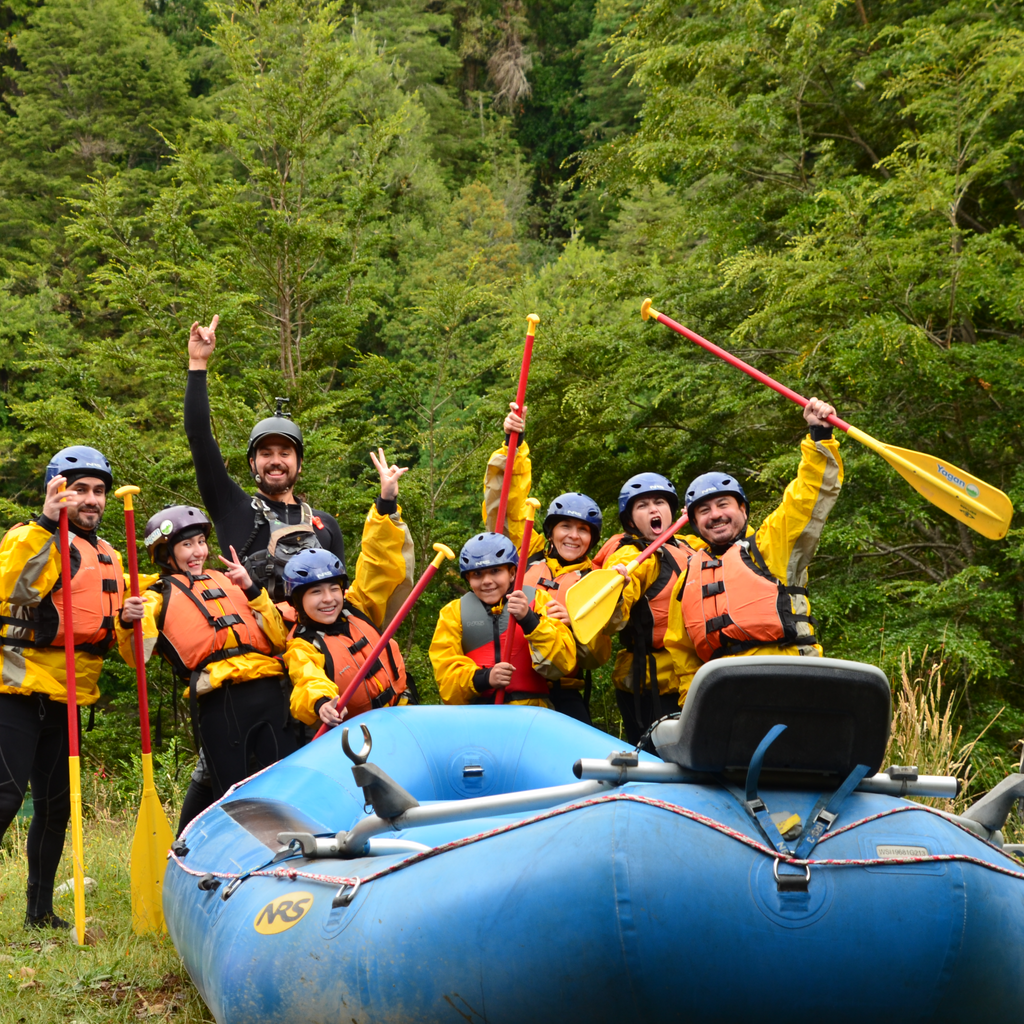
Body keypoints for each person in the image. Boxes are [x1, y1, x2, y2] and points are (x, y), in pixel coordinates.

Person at [0, 446, 141, 928]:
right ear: (56, 489)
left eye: (98, 491)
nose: (92, 499)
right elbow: (16, 588)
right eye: (79, 489)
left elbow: (120, 640)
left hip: (67, 697)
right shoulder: (29, 535)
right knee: (5, 798)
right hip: (16, 690)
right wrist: (45, 522)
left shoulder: (109, 555)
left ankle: (39, 913)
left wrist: (128, 619)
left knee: (56, 808)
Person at [117, 504, 296, 830]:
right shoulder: (156, 598)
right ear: (165, 553)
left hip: (270, 693)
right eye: (187, 545)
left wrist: (252, 589)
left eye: (201, 542)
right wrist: (129, 621)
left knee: (284, 788)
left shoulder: (230, 581)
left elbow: (278, 638)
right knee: (234, 798)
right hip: (221, 702)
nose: (198, 551)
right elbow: (136, 656)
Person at [665, 397, 843, 692]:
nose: (716, 515)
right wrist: (692, 704)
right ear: (695, 524)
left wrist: (819, 436)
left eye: (723, 504)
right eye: (704, 511)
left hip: (789, 675)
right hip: (725, 691)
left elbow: (808, 496)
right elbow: (682, 656)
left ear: (744, 511)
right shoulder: (687, 579)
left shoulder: (771, 545)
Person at [184, 315, 346, 602]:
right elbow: (199, 436)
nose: (276, 461)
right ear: (252, 463)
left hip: (312, 644)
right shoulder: (231, 507)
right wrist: (198, 365)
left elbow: (340, 595)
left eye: (285, 453)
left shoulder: (326, 525)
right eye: (266, 454)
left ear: (299, 463)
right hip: (254, 644)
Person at [482, 402, 610, 723]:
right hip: (512, 682)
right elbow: (511, 506)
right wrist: (516, 443)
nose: (573, 536)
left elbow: (596, 655)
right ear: (550, 532)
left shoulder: (596, 581)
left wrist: (575, 623)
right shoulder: (527, 554)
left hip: (563, 689)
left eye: (583, 530)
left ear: (592, 540)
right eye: (565, 526)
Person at [283, 449, 414, 729]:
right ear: (297, 601)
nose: (329, 599)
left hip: (402, 715)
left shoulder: (357, 606)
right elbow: (307, 679)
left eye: (333, 589)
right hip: (359, 734)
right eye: (315, 593)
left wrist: (386, 503)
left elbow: (377, 561)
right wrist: (321, 703)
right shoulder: (302, 645)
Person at [430, 532, 576, 707]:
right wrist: (485, 678)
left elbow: (562, 664)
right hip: (479, 714)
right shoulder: (453, 613)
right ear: (468, 579)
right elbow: (446, 680)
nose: (486, 581)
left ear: (512, 573)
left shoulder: (539, 600)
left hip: (532, 714)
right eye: (477, 574)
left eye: (495, 571)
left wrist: (529, 620)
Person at [601, 473, 689, 745]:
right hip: (651, 684)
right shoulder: (629, 557)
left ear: (671, 511)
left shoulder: (692, 548)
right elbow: (611, 620)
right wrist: (616, 593)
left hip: (693, 679)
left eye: (659, 502)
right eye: (642, 505)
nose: (653, 509)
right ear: (630, 521)